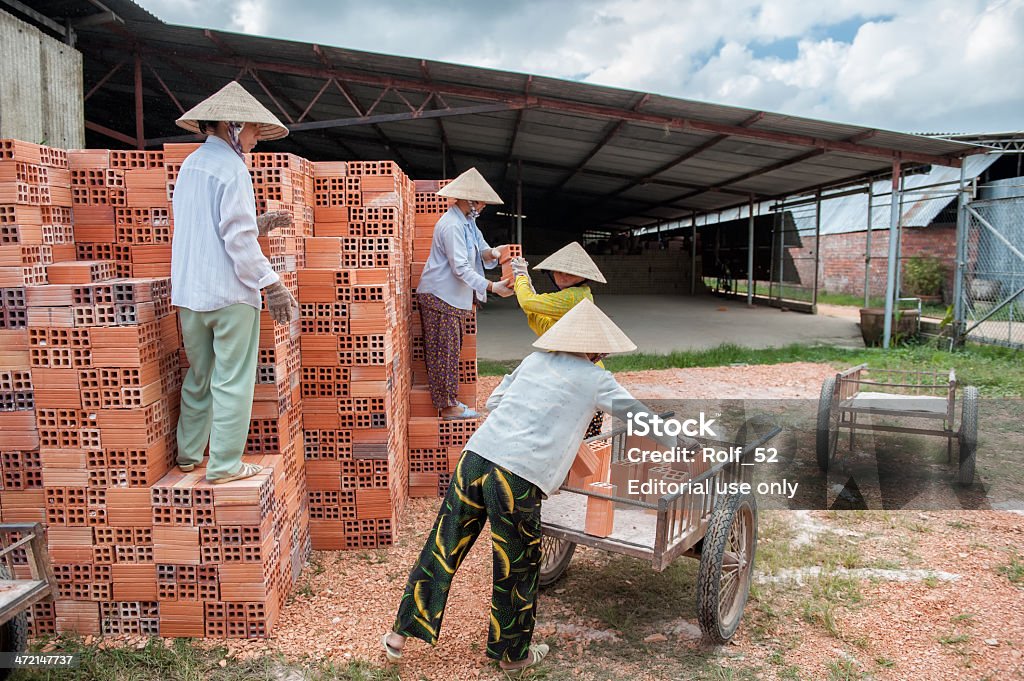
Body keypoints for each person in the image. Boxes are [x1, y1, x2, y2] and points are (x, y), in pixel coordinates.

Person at [382, 298, 675, 674]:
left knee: (444, 546)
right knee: (516, 565)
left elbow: (494, 401)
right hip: (515, 477)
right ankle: (513, 656)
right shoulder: (597, 379)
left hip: (476, 458)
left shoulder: (535, 360)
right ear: (597, 348)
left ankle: (398, 637)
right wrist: (683, 441)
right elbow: (641, 419)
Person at [170, 81, 299, 484]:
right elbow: (236, 239)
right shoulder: (233, 168)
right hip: (229, 296)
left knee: (200, 375)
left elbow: (206, 228)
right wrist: (271, 283)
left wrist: (257, 224)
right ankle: (225, 465)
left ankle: (189, 455)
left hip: (190, 294)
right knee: (232, 381)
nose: (257, 140)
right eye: (255, 131)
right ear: (235, 124)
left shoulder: (191, 166)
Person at [416, 167, 514, 420]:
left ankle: (450, 400)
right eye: (480, 202)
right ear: (468, 200)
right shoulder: (451, 226)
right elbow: (459, 267)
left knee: (450, 352)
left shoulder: (468, 224)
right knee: (443, 353)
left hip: (452, 298)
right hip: (440, 296)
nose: (482, 208)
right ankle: (448, 407)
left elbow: (481, 251)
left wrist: (496, 252)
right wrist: (492, 287)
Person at [510, 241, 608, 437]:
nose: (563, 275)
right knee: (577, 441)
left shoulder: (572, 297)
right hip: (581, 376)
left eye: (570, 272)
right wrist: (527, 288)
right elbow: (545, 326)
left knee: (571, 441)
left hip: (581, 379)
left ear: (584, 276)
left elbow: (528, 302)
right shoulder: (576, 296)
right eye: (559, 271)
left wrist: (520, 277)